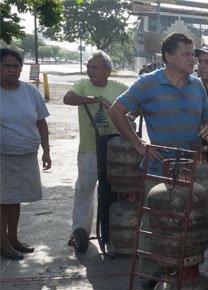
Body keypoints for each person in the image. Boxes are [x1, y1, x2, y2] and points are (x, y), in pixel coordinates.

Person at [108, 33, 208, 280]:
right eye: (186, 54)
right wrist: (138, 145)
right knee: (154, 224)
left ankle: (180, 273)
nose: (193, 60)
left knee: (187, 223)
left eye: (194, 54)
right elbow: (116, 112)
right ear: (168, 56)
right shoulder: (148, 83)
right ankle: (151, 277)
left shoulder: (197, 85)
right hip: (159, 167)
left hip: (191, 167)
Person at [63, 50, 128, 247]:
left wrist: (126, 113)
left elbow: (137, 105)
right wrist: (94, 99)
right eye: (89, 67)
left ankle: (112, 231)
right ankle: (79, 232)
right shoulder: (82, 85)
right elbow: (68, 98)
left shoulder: (119, 87)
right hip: (89, 149)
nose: (90, 71)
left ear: (107, 71)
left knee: (114, 192)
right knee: (84, 190)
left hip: (116, 151)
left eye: (95, 67)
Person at [0, 48, 51, 260]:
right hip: (3, 156)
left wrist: (46, 150)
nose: (11, 70)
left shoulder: (31, 92)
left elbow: (41, 121)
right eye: (6, 66)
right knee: (2, 200)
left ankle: (13, 238)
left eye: (15, 66)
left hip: (26, 154)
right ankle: (3, 244)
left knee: (15, 199)